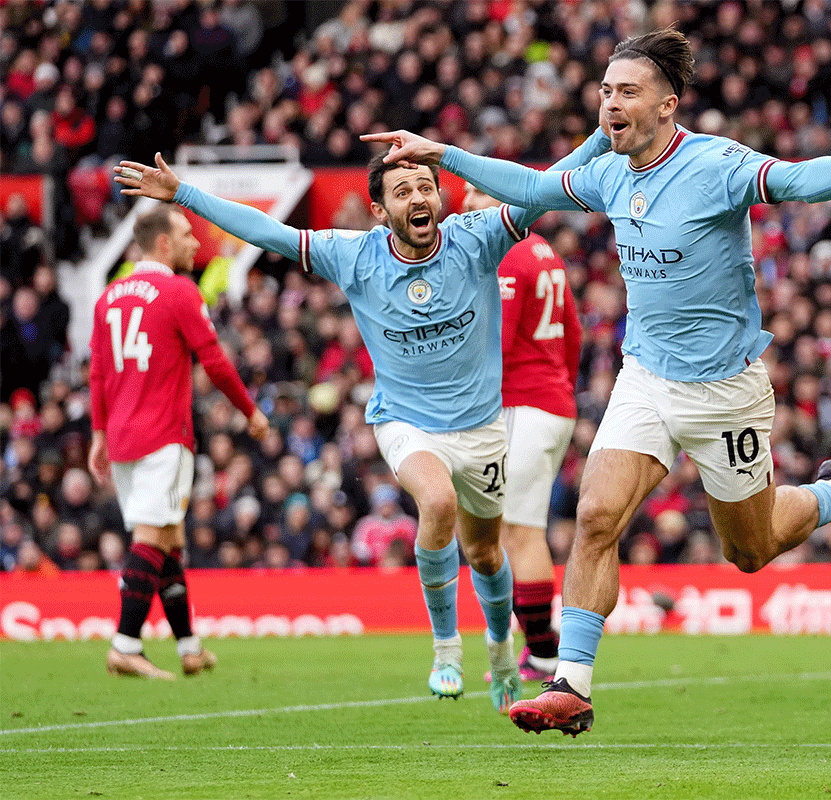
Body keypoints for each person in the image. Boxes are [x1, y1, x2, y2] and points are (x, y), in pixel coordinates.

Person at [364, 27, 831, 735]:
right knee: (598, 516)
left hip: (725, 389)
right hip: (646, 378)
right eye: (605, 91)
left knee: (748, 551)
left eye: (626, 92)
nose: (610, 104)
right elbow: (535, 187)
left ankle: (830, 496)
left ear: (668, 104)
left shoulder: (715, 164)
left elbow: (792, 179)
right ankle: (570, 684)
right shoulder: (608, 170)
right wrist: (442, 154)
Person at [114, 128, 610, 712]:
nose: (418, 198)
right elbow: (266, 232)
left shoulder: (478, 238)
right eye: (402, 192)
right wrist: (183, 195)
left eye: (426, 185)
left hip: (481, 429)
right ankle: (446, 645)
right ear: (379, 209)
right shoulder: (355, 254)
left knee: (486, 553)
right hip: (405, 421)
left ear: (442, 197)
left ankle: (502, 647)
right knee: (438, 503)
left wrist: (604, 136)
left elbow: (550, 186)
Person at [88, 204, 270, 680]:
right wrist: (251, 412)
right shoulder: (177, 291)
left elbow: (98, 372)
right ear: (163, 244)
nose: (196, 243)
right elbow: (214, 360)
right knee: (152, 536)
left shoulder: (108, 297)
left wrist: (98, 433)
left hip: (123, 438)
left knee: (169, 539)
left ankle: (189, 647)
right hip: (164, 435)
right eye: (188, 235)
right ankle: (125, 644)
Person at [462, 183, 581, 683]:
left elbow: (497, 346)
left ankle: (544, 655)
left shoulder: (508, 256)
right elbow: (573, 335)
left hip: (524, 404)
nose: (467, 203)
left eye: (478, 194)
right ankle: (538, 650)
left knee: (519, 531)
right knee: (515, 529)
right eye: (465, 193)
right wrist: (560, 388)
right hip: (549, 402)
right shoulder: (543, 251)